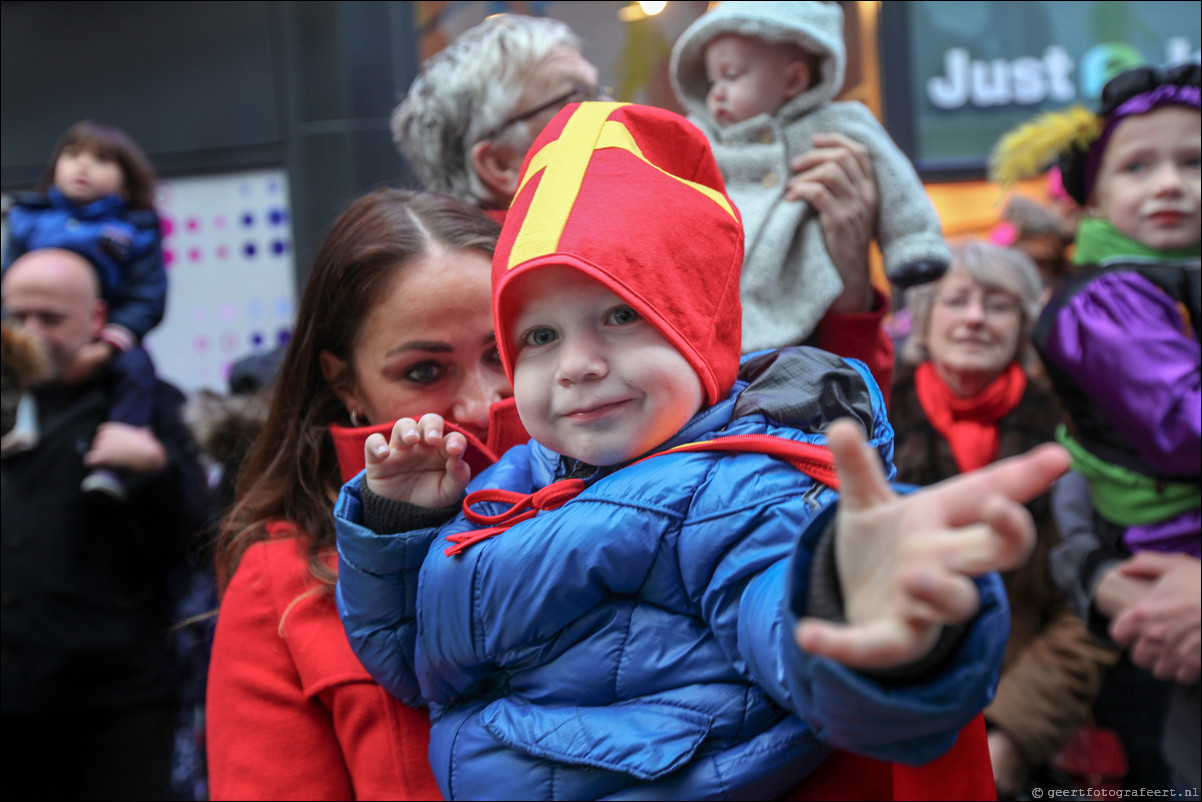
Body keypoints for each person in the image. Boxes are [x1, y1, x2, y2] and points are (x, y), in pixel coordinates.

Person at [334, 102, 1070, 800]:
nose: (576, 365)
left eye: (622, 316)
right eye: (539, 336)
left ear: (697, 332)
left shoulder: (741, 489)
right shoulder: (512, 485)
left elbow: (786, 630)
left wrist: (859, 605)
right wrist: (397, 526)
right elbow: (414, 663)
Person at [205, 188, 529, 800]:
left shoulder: (636, 488)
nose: (480, 402)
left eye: (503, 352)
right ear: (343, 379)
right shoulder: (281, 580)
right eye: (424, 371)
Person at [390, 12, 898, 398]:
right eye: (577, 101)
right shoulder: (474, 290)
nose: (609, 112)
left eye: (601, 91)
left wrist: (846, 277)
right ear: (501, 164)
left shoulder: (626, 239)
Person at [991, 62, 1200, 789]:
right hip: (1165, 553)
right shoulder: (1107, 299)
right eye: (1139, 166)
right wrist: (1096, 575)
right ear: (1097, 197)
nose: (1170, 182)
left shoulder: (1173, 278)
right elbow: (1183, 424)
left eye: (1194, 162)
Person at [891, 239, 1117, 798]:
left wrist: (1011, 733)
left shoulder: (1076, 438)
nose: (974, 318)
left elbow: (1090, 607)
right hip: (894, 722)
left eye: (997, 304)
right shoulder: (872, 426)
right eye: (956, 301)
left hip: (1025, 729)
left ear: (1023, 325)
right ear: (923, 320)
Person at [1, 248, 208, 800]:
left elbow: (192, 541)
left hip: (119, 702)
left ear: (96, 319)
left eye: (49, 317)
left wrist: (153, 472)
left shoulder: (148, 405)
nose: (30, 332)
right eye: (16, 316)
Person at [669, 0, 950, 354]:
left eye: (733, 75)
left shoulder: (839, 125)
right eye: (711, 81)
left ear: (794, 80)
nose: (717, 94)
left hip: (806, 295)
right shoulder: (699, 136)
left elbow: (898, 186)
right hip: (710, 313)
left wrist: (913, 244)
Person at [2, 120, 167, 501]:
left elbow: (147, 296)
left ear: (125, 183)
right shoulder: (28, 218)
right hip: (21, 342)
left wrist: (108, 345)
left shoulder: (135, 230)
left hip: (107, 335)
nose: (83, 166)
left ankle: (115, 461)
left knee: (137, 372)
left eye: (100, 159)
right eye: (73, 155)